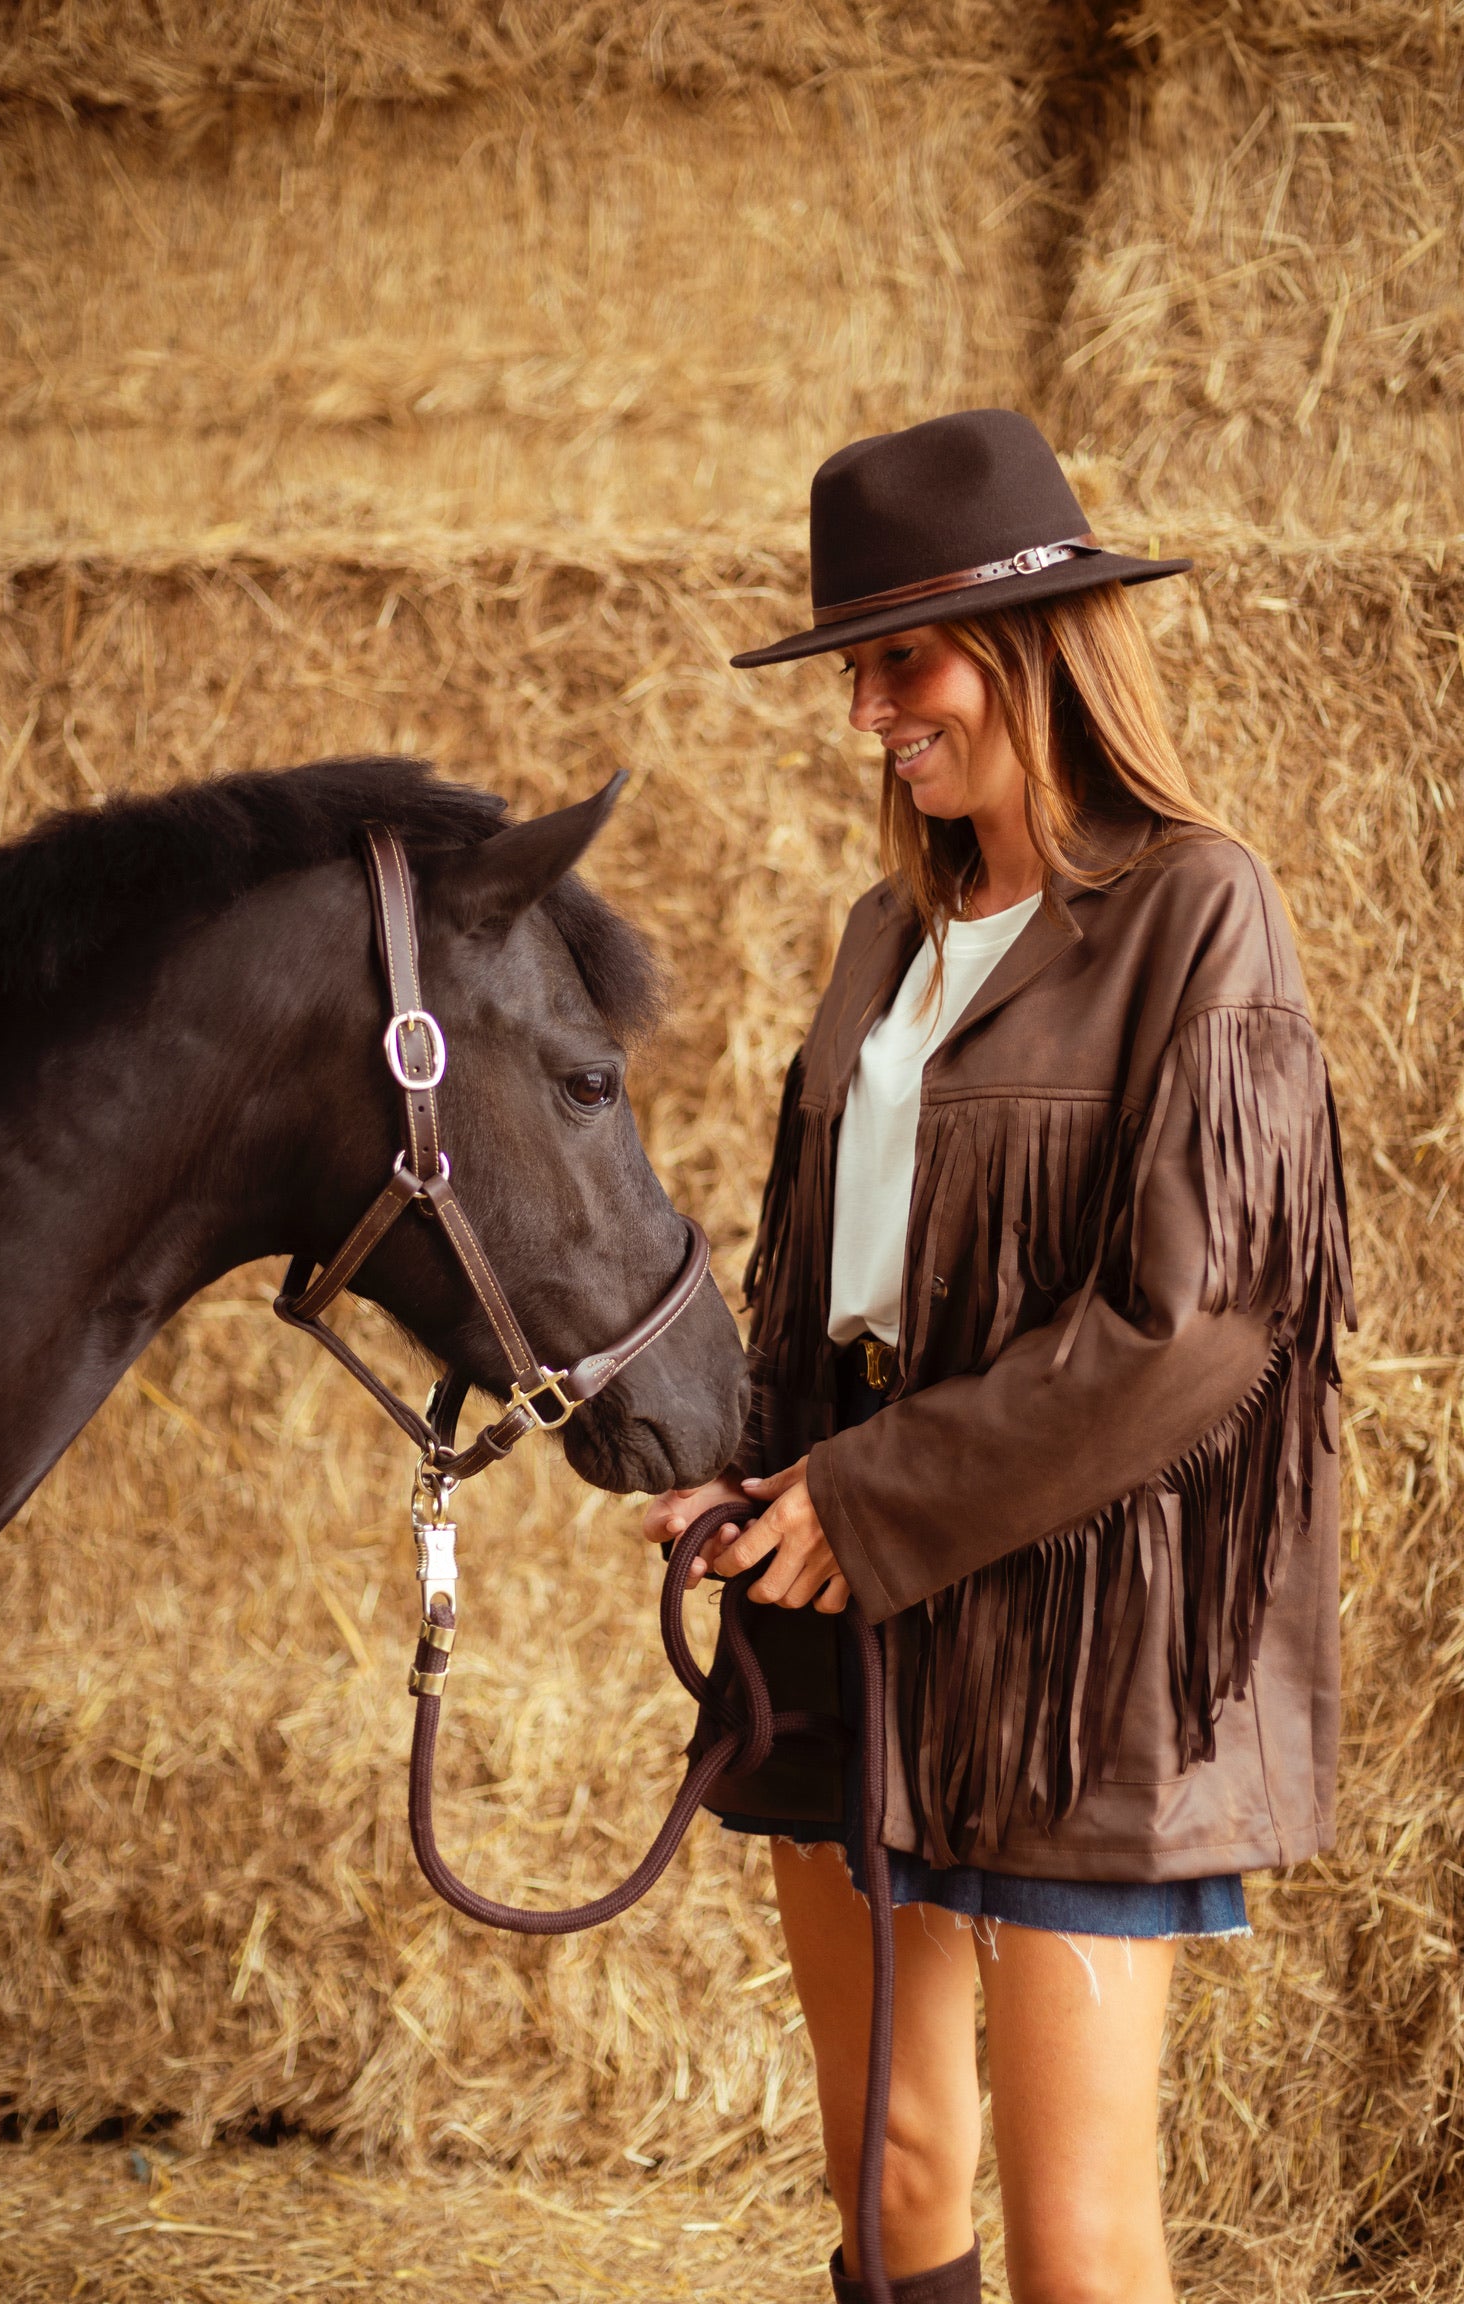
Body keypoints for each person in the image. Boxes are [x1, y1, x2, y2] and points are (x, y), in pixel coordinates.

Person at [643, 410, 1353, 2304]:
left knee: (1077, 2232)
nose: (871, 710)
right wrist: (743, 1463)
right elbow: (830, 1275)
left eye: (906, 661)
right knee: (885, 2169)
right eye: (853, 671)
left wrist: (872, 1499)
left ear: (1038, 649)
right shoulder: (885, 932)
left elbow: (1202, 1320)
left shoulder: (1198, 907)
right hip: (836, 1602)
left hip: (1073, 1621)